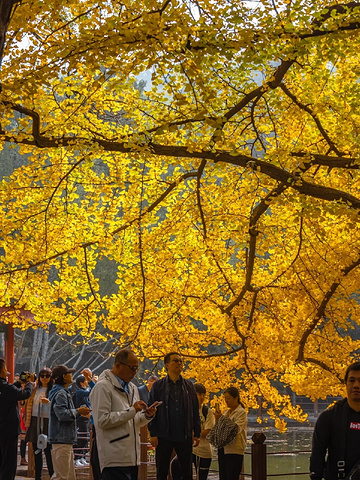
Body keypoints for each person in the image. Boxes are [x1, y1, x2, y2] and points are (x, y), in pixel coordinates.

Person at [90, 348, 158, 480]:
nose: (134, 372)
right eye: (132, 368)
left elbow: (134, 421)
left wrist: (147, 416)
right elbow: (102, 421)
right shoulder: (103, 387)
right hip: (113, 457)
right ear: (117, 365)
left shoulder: (132, 388)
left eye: (137, 368)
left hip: (132, 457)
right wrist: (132, 410)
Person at [148, 352, 201, 480]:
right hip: (164, 433)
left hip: (184, 434)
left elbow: (195, 410)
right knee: (162, 471)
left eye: (181, 361)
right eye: (175, 361)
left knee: (187, 472)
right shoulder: (158, 386)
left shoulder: (189, 386)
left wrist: (197, 433)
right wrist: (153, 433)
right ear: (167, 365)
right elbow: (151, 410)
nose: (179, 363)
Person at [310, 361, 360, 480]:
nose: (356, 385)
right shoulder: (329, 417)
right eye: (352, 380)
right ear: (346, 383)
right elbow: (318, 454)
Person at [49, 364, 91, 480]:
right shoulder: (61, 394)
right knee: (61, 476)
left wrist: (78, 412)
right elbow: (62, 415)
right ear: (64, 376)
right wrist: (78, 411)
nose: (71, 375)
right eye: (69, 373)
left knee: (68, 475)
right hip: (61, 438)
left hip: (64, 439)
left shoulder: (62, 392)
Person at [0, 358, 34, 480]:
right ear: (2, 370)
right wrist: (29, 384)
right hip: (8, 430)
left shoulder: (6, 388)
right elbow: (24, 394)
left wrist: (19, 383)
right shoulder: (6, 388)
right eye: (5, 368)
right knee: (8, 462)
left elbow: (10, 391)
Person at [24, 367, 54, 480]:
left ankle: (52, 475)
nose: (44, 378)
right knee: (36, 450)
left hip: (48, 420)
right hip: (35, 420)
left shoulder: (53, 390)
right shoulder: (35, 389)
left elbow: (56, 406)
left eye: (47, 376)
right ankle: (38, 476)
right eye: (42, 376)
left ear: (51, 377)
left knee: (48, 451)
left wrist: (48, 402)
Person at [215, 387, 247, 480]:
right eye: (225, 398)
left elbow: (235, 430)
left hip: (234, 450)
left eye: (228, 398)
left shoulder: (241, 412)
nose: (226, 401)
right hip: (223, 448)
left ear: (236, 398)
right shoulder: (226, 413)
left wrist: (222, 420)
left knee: (232, 476)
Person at [74, 374, 91, 467]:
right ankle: (76, 458)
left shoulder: (83, 391)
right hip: (81, 417)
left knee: (86, 437)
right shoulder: (79, 392)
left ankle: (82, 457)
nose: (87, 382)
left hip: (87, 417)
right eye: (86, 381)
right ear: (81, 383)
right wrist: (92, 384)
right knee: (82, 437)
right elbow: (91, 392)